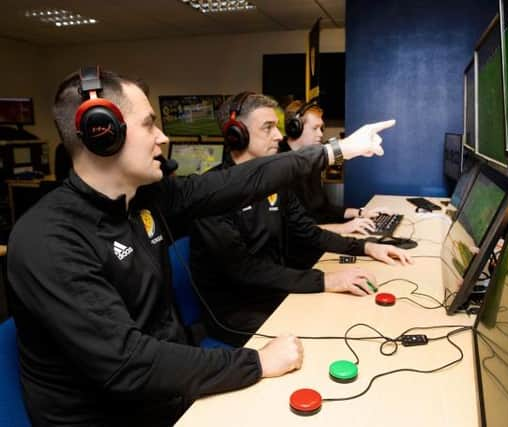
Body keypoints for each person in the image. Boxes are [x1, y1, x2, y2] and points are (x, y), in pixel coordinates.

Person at [6, 67, 395, 426]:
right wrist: (256, 363)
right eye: (149, 125)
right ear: (102, 132)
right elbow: (129, 364)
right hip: (113, 415)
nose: (163, 138)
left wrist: (333, 151)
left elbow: (237, 182)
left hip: (165, 391)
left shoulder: (145, 198)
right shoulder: (49, 239)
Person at [190, 92, 412, 347]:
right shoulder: (211, 195)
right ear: (236, 133)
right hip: (236, 313)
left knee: (352, 316)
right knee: (328, 336)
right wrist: (325, 281)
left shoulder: (274, 183)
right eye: (268, 127)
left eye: (278, 127)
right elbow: (246, 270)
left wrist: (366, 247)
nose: (278, 136)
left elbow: (309, 232)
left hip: (273, 292)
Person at [282, 99, 387, 236]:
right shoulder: (280, 167)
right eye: (315, 128)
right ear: (295, 128)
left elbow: (324, 208)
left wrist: (360, 213)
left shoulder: (313, 160)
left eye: (321, 128)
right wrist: (344, 228)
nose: (320, 134)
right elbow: (294, 230)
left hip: (320, 236)